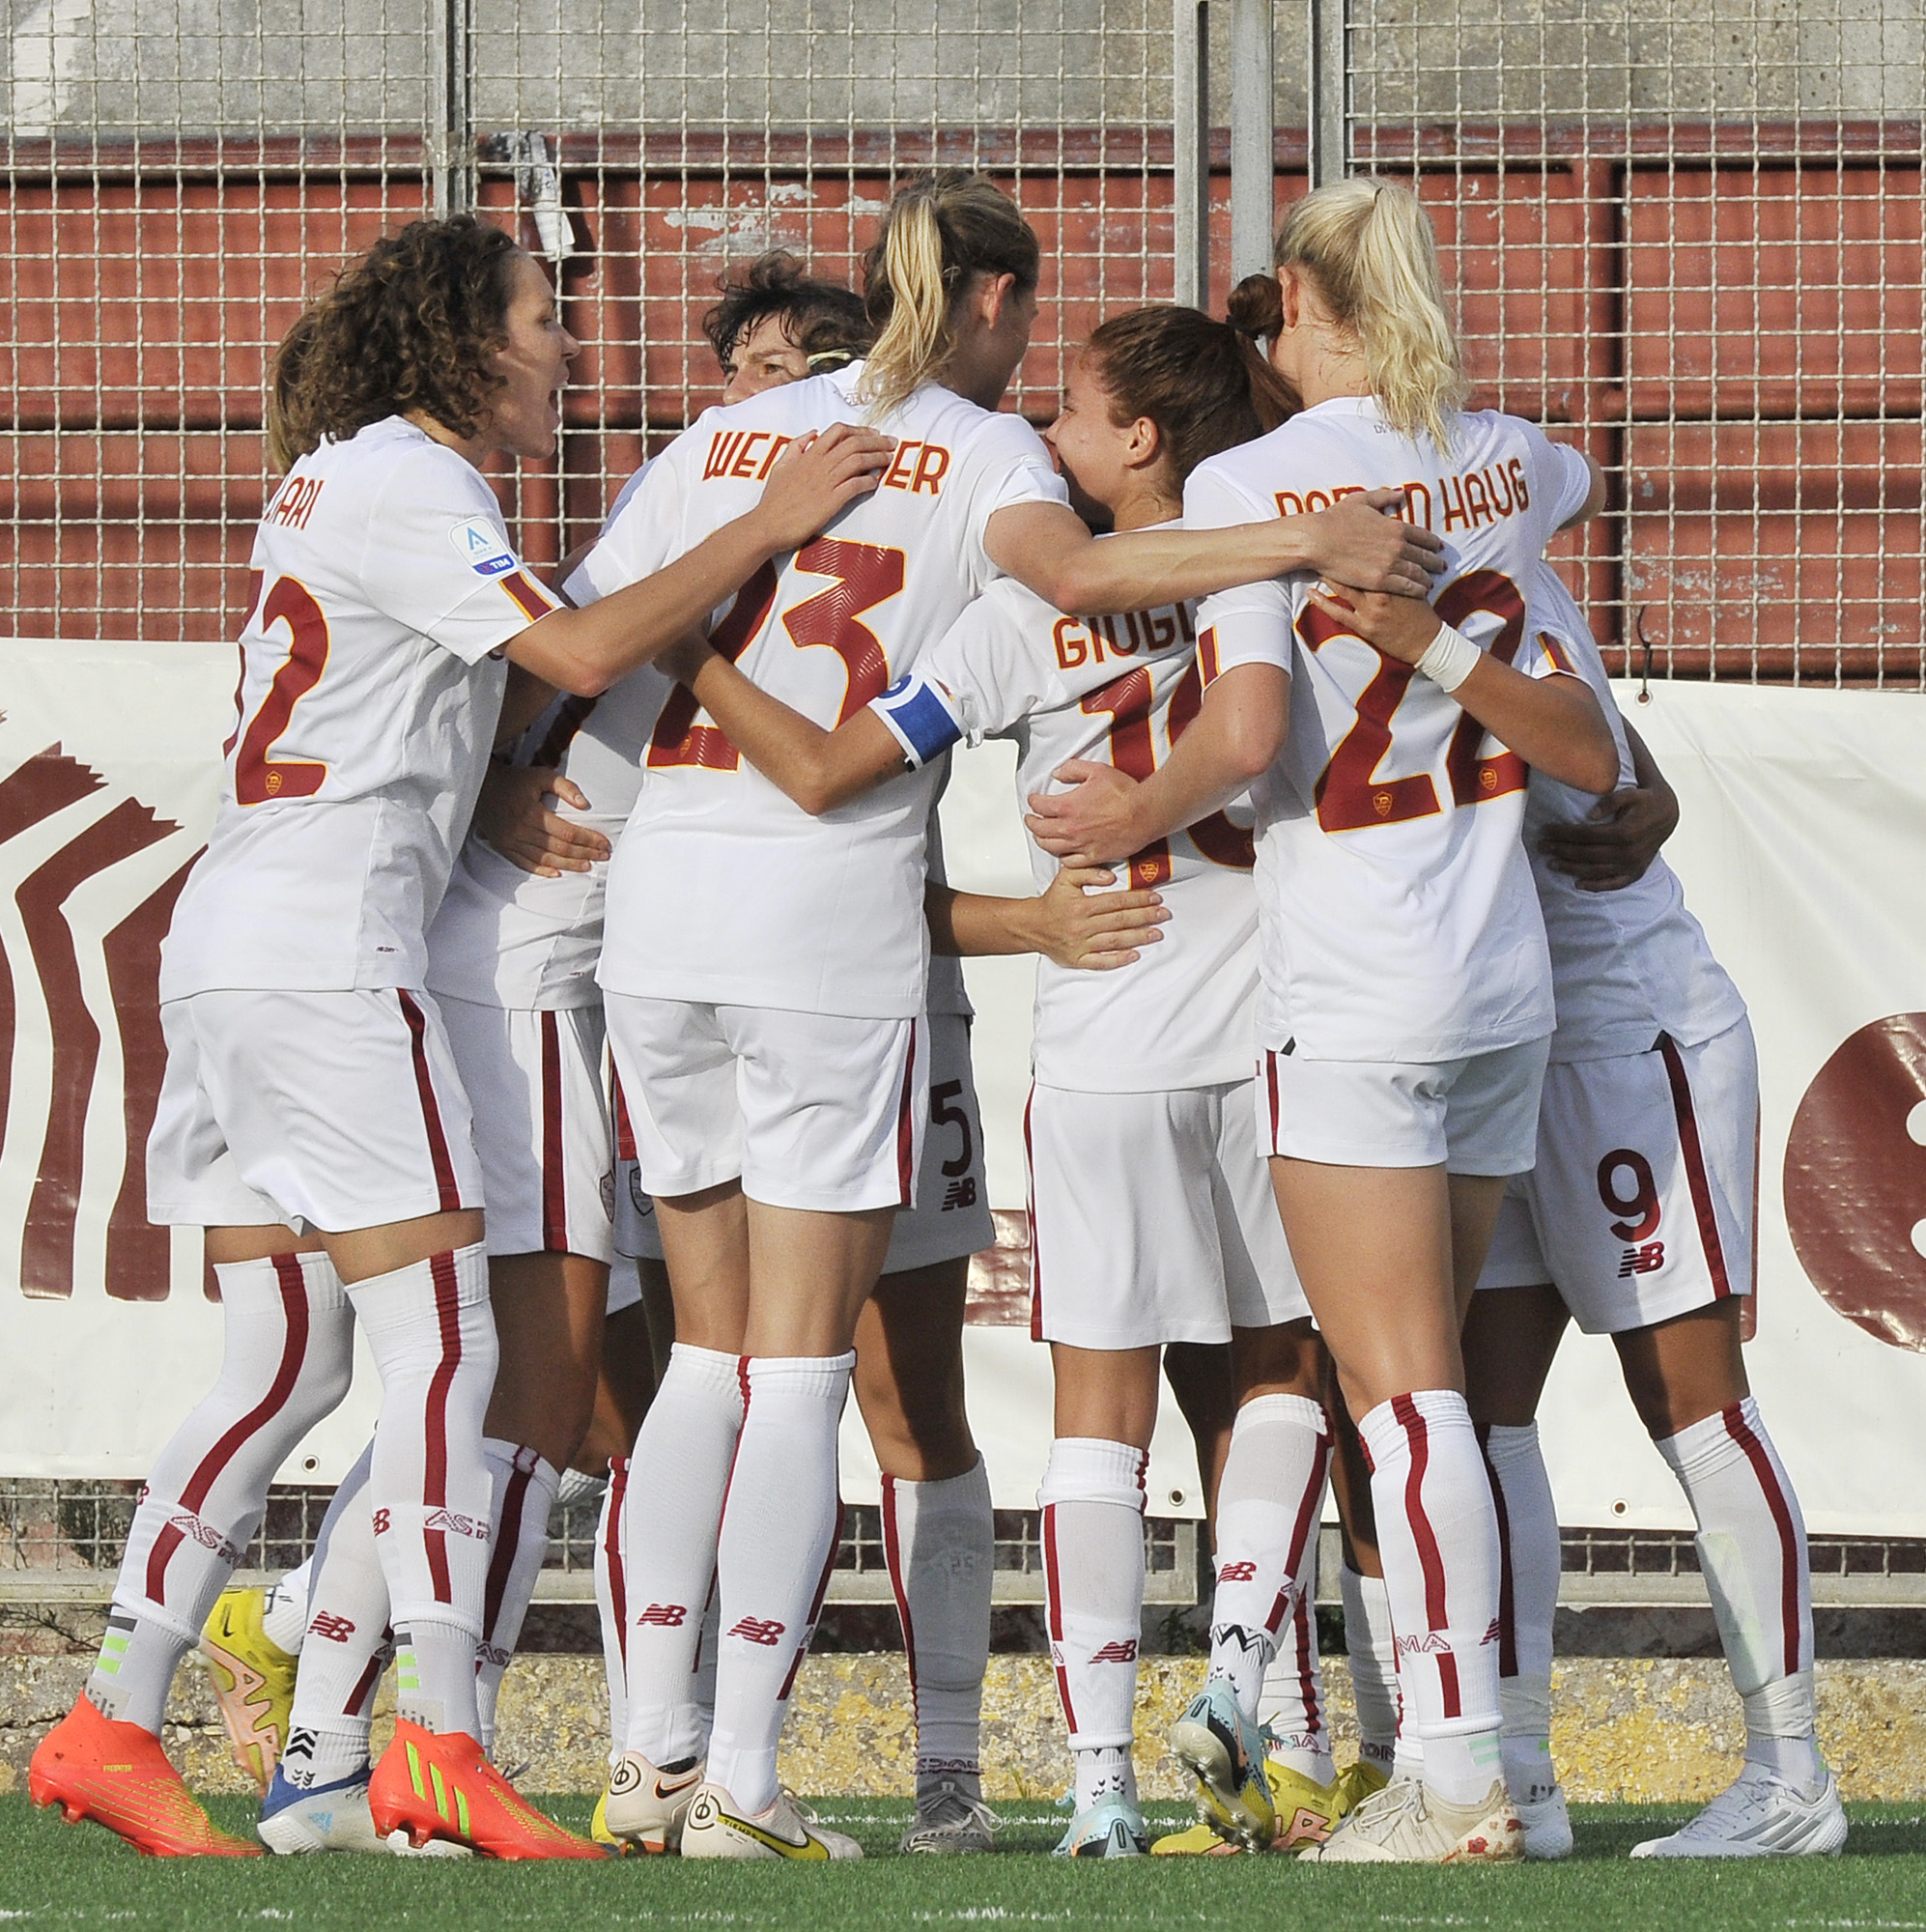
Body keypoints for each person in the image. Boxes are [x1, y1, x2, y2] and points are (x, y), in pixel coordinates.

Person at [583, 170, 1447, 1861]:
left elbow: (591, 639)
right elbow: (1211, 685)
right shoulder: (1029, 492)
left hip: (681, 921)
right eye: (1039, 349)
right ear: (992, 300)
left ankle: (659, 1753)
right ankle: (808, 1777)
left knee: (716, 1352)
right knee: (1255, 1374)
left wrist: (680, 662)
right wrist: (1302, 535)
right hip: (1026, 968)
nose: (1047, 402)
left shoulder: (727, 442)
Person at [26, 212, 894, 1861]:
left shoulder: (338, 478)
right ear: (466, 344)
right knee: (460, 1351)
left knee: (284, 1362)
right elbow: (568, 651)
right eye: (539, 319)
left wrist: (492, 778)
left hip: (231, 945)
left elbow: (437, 685)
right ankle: (436, 1741)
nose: (567, 348)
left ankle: (114, 1717)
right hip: (339, 959)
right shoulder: (421, 482)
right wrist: (766, 524)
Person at [1028, 175, 1619, 1864]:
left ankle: (1452, 1780)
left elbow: (1218, 691)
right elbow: (1556, 483)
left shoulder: (1253, 483)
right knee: (1449, 1401)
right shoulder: (1512, 455)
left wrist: (1115, 821)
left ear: (1292, 295)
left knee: (1407, 1397)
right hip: (1504, 965)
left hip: (1354, 973)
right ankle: (1511, 1759)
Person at [1443, 563, 1846, 1861]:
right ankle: (1519, 1771)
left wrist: (1643, 786)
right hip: (1484, 1037)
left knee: (1692, 1401)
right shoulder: (1310, 527)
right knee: (1479, 1407)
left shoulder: (1460, 531)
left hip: (1620, 1035)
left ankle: (1792, 1770)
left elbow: (1589, 733)